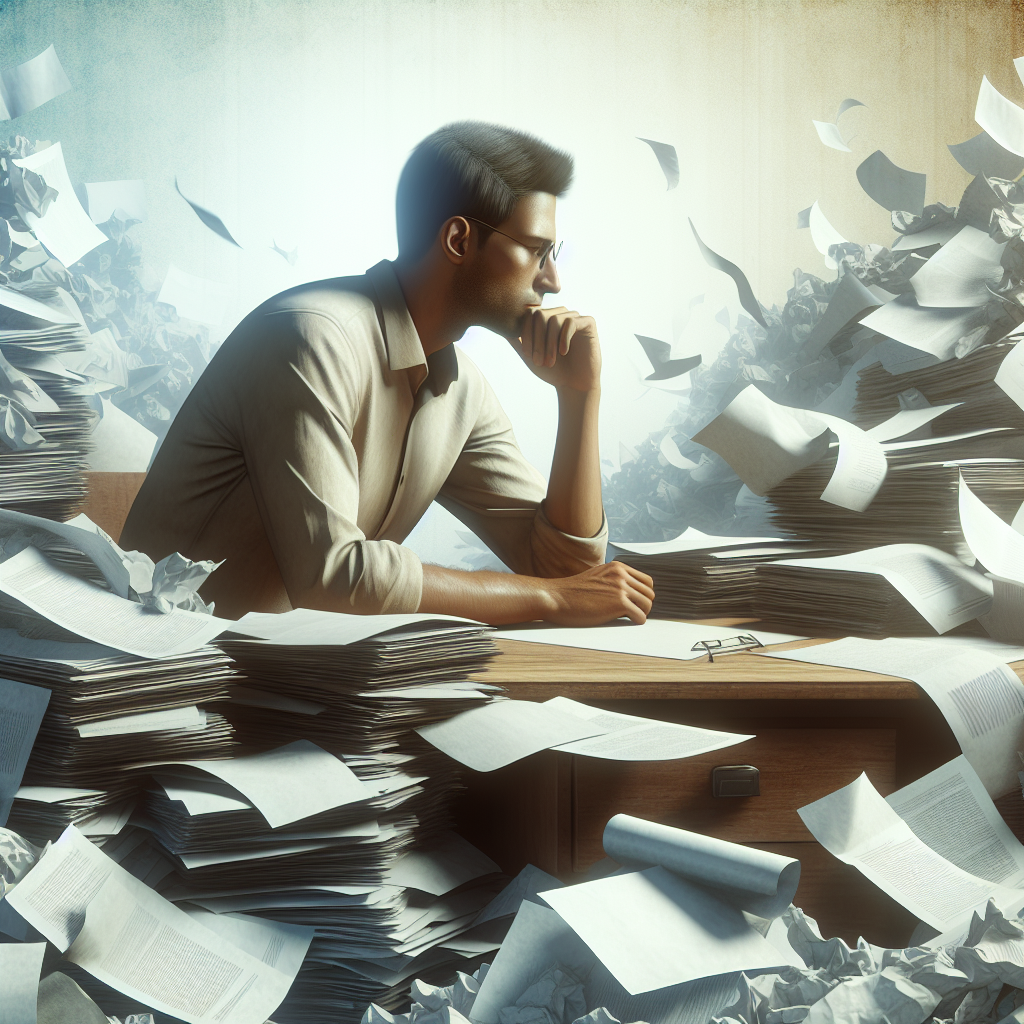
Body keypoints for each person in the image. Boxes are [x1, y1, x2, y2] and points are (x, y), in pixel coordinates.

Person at [120, 121, 654, 625]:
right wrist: (549, 599)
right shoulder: (311, 339)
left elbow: (572, 573)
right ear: (459, 240)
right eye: (537, 251)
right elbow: (334, 580)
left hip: (290, 672)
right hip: (162, 667)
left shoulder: (459, 389)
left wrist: (579, 395)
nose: (554, 281)